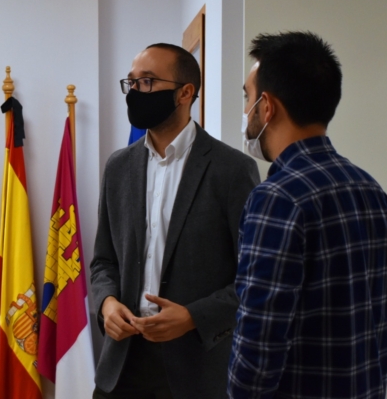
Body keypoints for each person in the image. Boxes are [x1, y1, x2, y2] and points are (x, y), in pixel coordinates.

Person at [90, 43, 260, 399]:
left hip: (196, 369)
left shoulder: (232, 169)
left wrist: (193, 316)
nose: (136, 92)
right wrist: (107, 303)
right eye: (132, 83)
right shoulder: (118, 167)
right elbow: (103, 261)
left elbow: (253, 277)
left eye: (148, 82)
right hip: (121, 366)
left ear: (185, 93)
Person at [229, 31, 387, 398]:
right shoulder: (371, 189)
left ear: (267, 107)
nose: (246, 111)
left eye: (247, 97)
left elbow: (257, 347)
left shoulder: (277, 198)